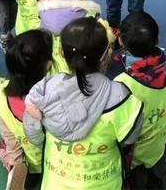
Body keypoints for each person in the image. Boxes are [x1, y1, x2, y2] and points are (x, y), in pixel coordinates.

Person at [23, 17, 143, 189]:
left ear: (61, 52)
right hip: (104, 184)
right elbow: (129, 139)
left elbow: (34, 137)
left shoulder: (43, 93)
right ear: (106, 53)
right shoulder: (122, 97)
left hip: (56, 183)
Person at [114, 11, 166, 189]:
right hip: (158, 153)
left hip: (128, 167)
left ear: (121, 41)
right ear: (158, 38)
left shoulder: (121, 84)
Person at [0, 30, 53, 190]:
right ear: (48, 64)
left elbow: (7, 132)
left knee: (3, 145)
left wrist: (16, 161)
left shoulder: (0, 93)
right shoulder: (54, 96)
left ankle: (16, 167)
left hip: (29, 159)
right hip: (56, 160)